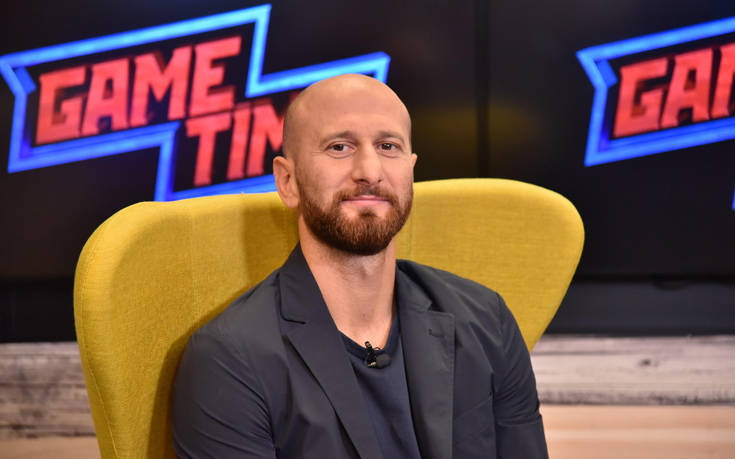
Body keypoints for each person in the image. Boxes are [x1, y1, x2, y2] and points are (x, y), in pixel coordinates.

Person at [172, 74, 548, 459]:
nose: (369, 170)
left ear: (410, 171)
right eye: (339, 147)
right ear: (288, 181)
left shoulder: (487, 320)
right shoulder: (229, 359)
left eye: (388, 146)